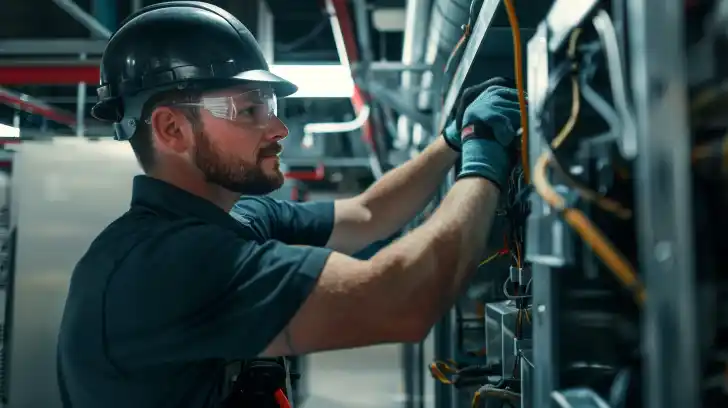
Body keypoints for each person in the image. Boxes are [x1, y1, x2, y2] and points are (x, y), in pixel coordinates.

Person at [56, 2, 522, 408]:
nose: (279, 129)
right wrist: (482, 155)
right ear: (172, 129)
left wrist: (448, 143)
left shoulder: (236, 221)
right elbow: (400, 301)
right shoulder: (161, 266)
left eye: (271, 105)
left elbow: (366, 216)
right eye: (249, 110)